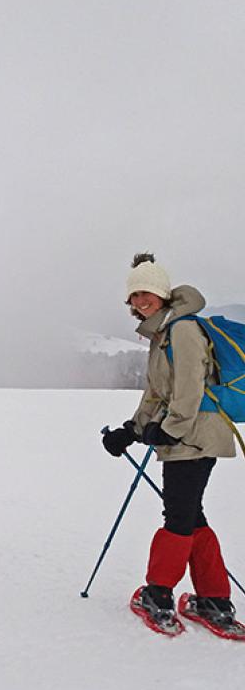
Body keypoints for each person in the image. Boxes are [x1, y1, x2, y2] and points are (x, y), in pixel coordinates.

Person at [102, 253, 238, 631]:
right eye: (135, 296)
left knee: (178, 515)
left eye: (147, 293)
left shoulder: (182, 330)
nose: (141, 300)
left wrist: (171, 430)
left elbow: (190, 388)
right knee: (190, 513)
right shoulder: (162, 332)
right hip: (189, 435)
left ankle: (159, 593)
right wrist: (131, 431)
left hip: (195, 437)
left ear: (162, 294)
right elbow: (157, 393)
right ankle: (214, 600)